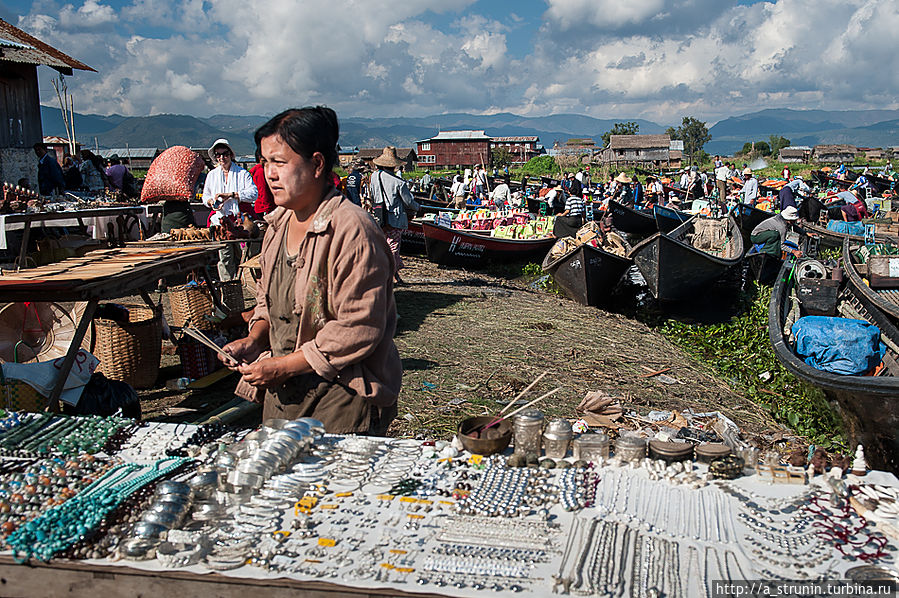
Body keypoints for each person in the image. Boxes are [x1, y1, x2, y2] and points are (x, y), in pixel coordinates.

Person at [220, 106, 399, 435]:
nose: (269, 173)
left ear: (317, 164)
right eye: (264, 162)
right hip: (284, 395)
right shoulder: (278, 226)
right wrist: (255, 339)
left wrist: (284, 366)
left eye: (279, 162)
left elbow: (358, 327)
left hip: (340, 399)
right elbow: (267, 301)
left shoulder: (352, 230)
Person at [202, 138, 258, 280]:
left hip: (240, 222)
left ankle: (246, 284)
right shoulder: (212, 175)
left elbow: (254, 194)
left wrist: (232, 195)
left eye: (225, 154)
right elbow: (205, 196)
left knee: (243, 256)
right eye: (218, 155)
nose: (222, 157)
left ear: (230, 155)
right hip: (221, 222)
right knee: (225, 257)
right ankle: (229, 288)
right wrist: (211, 201)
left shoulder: (242, 173)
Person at [368, 146, 420, 284]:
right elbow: (408, 202)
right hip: (394, 218)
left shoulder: (374, 177)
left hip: (379, 215)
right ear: (395, 165)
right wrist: (418, 207)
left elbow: (372, 195)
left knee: (383, 244)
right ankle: (390, 273)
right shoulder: (399, 182)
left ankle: (393, 274)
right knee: (393, 246)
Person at [251, 148, 276, 216]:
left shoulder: (259, 171)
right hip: (264, 208)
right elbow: (263, 191)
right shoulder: (261, 172)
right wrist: (267, 208)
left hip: (262, 207)